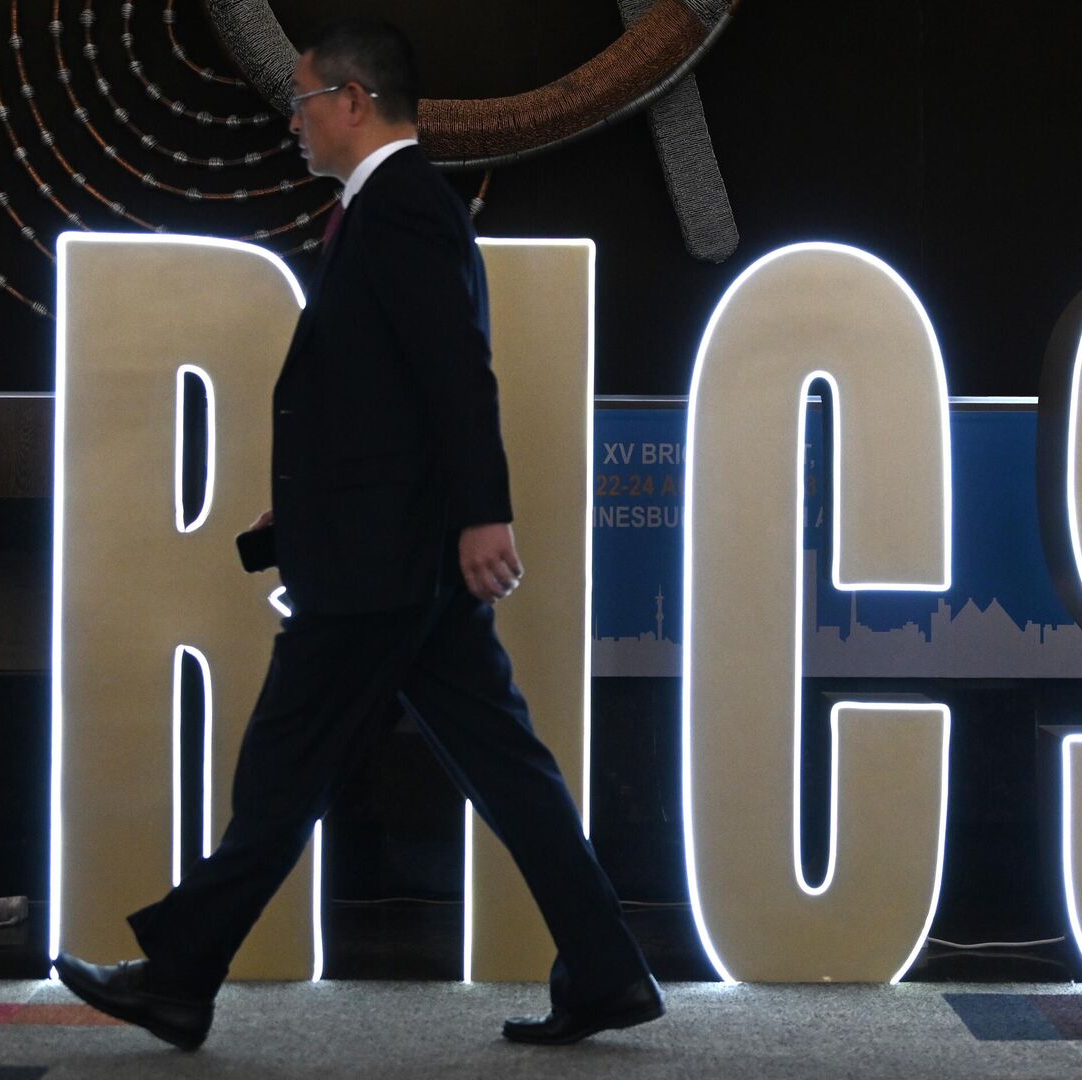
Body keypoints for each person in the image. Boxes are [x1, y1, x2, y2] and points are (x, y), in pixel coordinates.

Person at [53, 17, 662, 1051]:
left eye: (300, 101)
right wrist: (304, 506)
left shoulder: (404, 208)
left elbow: (455, 371)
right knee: (503, 768)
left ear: (352, 101)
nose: (291, 122)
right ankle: (605, 971)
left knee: (285, 768)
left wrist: (482, 511)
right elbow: (380, 395)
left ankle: (181, 976)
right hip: (392, 558)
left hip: (383, 567)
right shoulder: (386, 211)